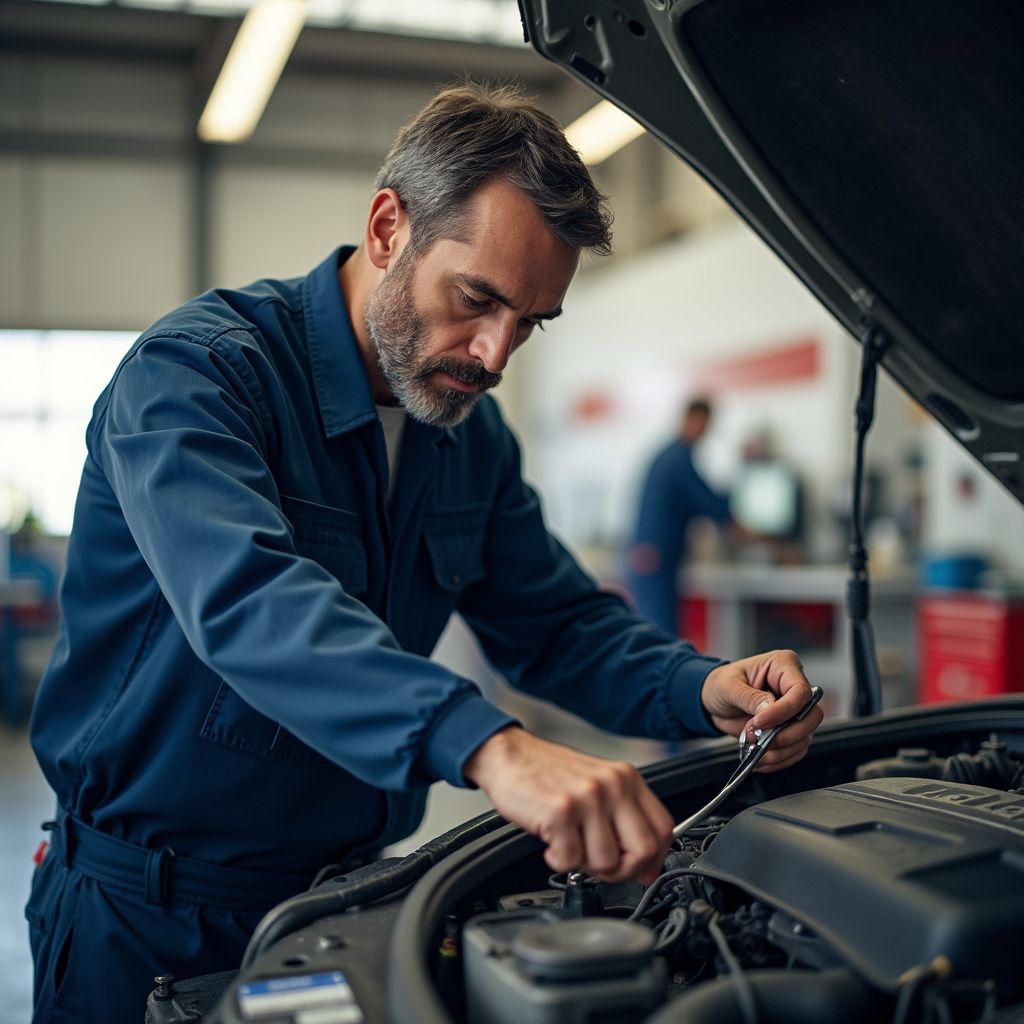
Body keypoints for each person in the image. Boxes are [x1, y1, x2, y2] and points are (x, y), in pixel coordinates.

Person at [25, 83, 822, 1024]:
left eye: (529, 322)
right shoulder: (198, 376)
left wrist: (701, 685)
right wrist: (491, 745)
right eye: (477, 298)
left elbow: (557, 624)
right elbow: (249, 601)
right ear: (387, 227)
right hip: (146, 918)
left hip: (343, 907)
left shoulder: (467, 439)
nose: (493, 355)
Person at [627, 397, 732, 633]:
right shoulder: (678, 460)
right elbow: (707, 502)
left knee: (657, 630)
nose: (706, 431)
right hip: (654, 559)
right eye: (704, 423)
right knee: (660, 634)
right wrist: (737, 519)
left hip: (652, 557)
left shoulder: (669, 455)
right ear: (692, 419)